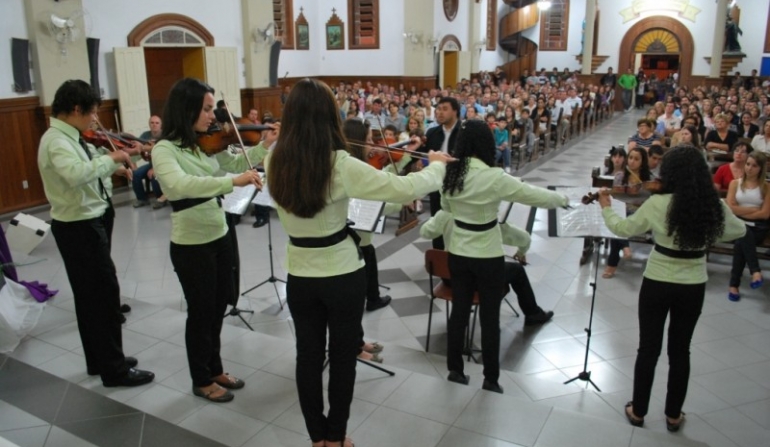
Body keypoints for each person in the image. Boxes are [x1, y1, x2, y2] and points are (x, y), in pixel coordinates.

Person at [266, 78, 453, 447]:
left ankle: (316, 437)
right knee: (341, 356)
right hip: (341, 273)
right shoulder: (339, 163)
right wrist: (435, 166)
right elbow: (402, 189)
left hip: (299, 274)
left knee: (307, 356)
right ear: (329, 118)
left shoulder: (274, 157)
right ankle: (335, 437)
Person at [598, 145, 745, 432]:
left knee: (648, 349)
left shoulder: (658, 204)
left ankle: (638, 411)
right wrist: (709, 232)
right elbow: (738, 230)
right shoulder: (712, 206)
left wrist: (606, 208)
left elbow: (623, 229)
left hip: (657, 281)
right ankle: (674, 415)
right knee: (681, 351)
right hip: (693, 285)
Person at [152, 78, 271, 403]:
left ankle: (215, 367)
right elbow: (179, 186)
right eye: (205, 109)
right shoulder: (164, 149)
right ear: (187, 108)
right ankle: (200, 378)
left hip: (219, 234)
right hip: (191, 244)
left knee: (218, 306)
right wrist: (230, 182)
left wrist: (264, 145)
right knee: (201, 312)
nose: (211, 116)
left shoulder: (203, 143)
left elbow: (233, 160)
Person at [38, 79, 154, 387]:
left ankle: (100, 359)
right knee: (102, 297)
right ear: (76, 109)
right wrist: (112, 158)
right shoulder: (56, 141)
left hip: (85, 223)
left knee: (90, 298)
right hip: (78, 228)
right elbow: (76, 175)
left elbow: (83, 168)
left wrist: (110, 167)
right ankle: (114, 370)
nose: (94, 119)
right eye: (92, 112)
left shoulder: (70, 137)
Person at [439, 120, 568, 394]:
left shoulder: (449, 173)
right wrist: (562, 199)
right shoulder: (494, 177)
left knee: (459, 312)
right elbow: (532, 195)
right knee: (489, 318)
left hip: (458, 252)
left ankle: (455, 370)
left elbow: (446, 206)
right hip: (487, 254)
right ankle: (491, 378)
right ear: (486, 143)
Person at [420, 210, 555, 326]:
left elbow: (425, 232)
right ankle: (533, 314)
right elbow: (524, 238)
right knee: (517, 270)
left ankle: (461, 315)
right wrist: (521, 252)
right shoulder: (489, 217)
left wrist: (437, 218)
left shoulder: (447, 213)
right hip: (480, 281)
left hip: (450, 278)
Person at [726, 151, 770, 301]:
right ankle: (755, 271)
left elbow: (765, 214)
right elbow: (730, 208)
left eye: (754, 166)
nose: (750, 168)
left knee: (742, 238)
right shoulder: (735, 183)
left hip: (758, 227)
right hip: (737, 224)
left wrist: (741, 212)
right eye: (748, 164)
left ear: (761, 168)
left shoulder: (766, 187)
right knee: (742, 233)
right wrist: (752, 210)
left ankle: (734, 285)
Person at [603, 146, 653, 278]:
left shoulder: (648, 179)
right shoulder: (620, 176)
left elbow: (650, 201)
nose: (632, 161)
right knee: (621, 219)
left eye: (636, 159)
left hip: (640, 211)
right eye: (630, 158)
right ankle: (625, 247)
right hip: (622, 209)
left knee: (621, 223)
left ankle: (612, 265)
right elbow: (615, 196)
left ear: (643, 162)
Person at [132, 115, 166, 209]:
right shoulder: (145, 135)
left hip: (162, 164)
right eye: (152, 123)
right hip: (151, 163)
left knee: (152, 174)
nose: (154, 125)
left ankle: (160, 199)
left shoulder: (165, 135)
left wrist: (154, 168)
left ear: (161, 125)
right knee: (136, 174)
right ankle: (142, 199)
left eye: (157, 123)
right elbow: (137, 148)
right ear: (149, 124)